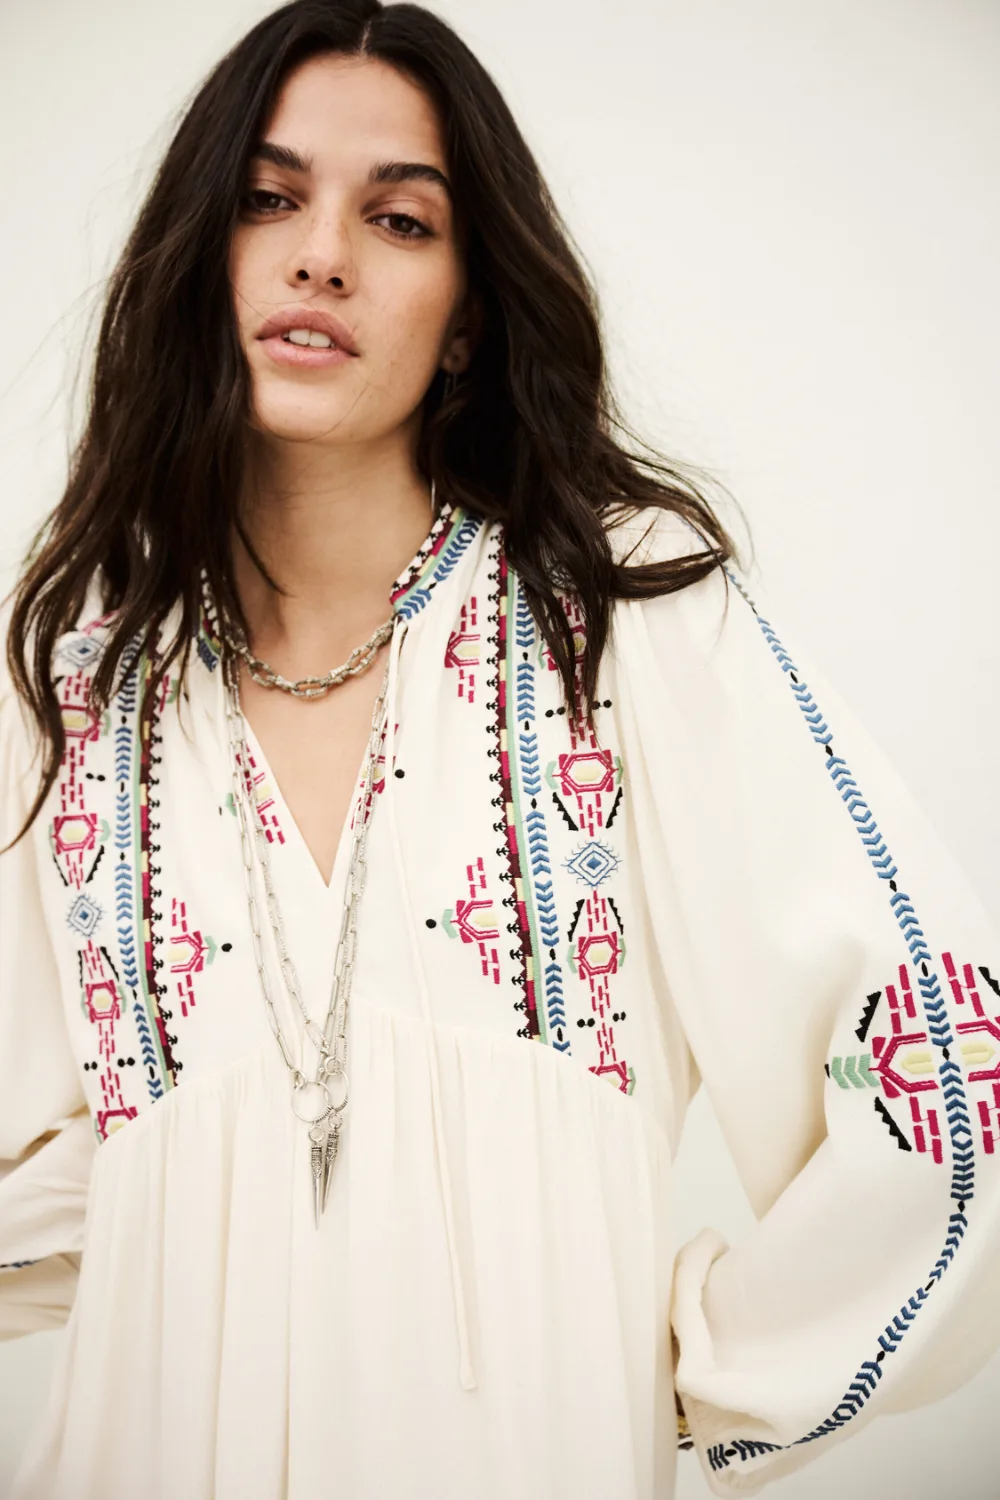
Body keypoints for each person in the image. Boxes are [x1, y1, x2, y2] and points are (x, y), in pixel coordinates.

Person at [1, 2, 998, 1496]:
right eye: (267, 199)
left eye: (398, 220)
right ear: (200, 255)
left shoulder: (621, 620)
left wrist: (703, 1369)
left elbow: (948, 1074)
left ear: (467, 314)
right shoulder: (86, 672)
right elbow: (68, 1168)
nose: (321, 254)